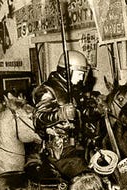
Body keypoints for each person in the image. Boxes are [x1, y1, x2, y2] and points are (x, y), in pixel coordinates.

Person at [32, 50, 91, 179]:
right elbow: (38, 118)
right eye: (80, 74)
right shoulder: (48, 90)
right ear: (67, 72)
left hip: (77, 144)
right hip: (60, 150)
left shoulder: (72, 90)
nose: (81, 78)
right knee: (86, 177)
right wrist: (61, 113)